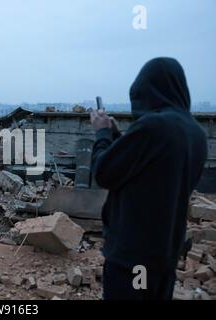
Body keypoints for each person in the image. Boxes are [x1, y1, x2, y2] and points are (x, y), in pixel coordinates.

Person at [90, 57, 208, 300]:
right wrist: (119, 137)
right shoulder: (196, 133)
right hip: (164, 258)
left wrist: (102, 133)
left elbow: (104, 172)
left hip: (132, 259)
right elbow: (151, 169)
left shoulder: (154, 126)